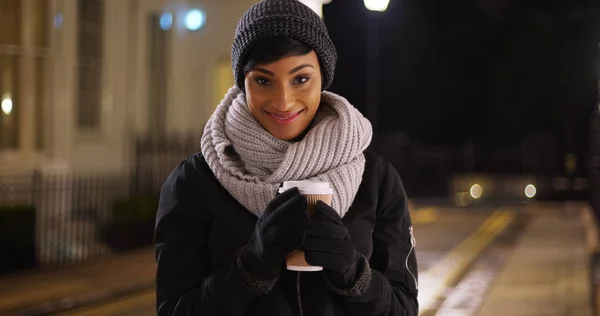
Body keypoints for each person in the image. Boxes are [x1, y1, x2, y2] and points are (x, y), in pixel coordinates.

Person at [154, 0, 419, 315]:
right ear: (243, 83)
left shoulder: (376, 179)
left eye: (300, 79)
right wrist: (248, 269)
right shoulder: (195, 182)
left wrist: (355, 275)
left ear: (323, 77)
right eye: (263, 80)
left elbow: (403, 308)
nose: (283, 101)